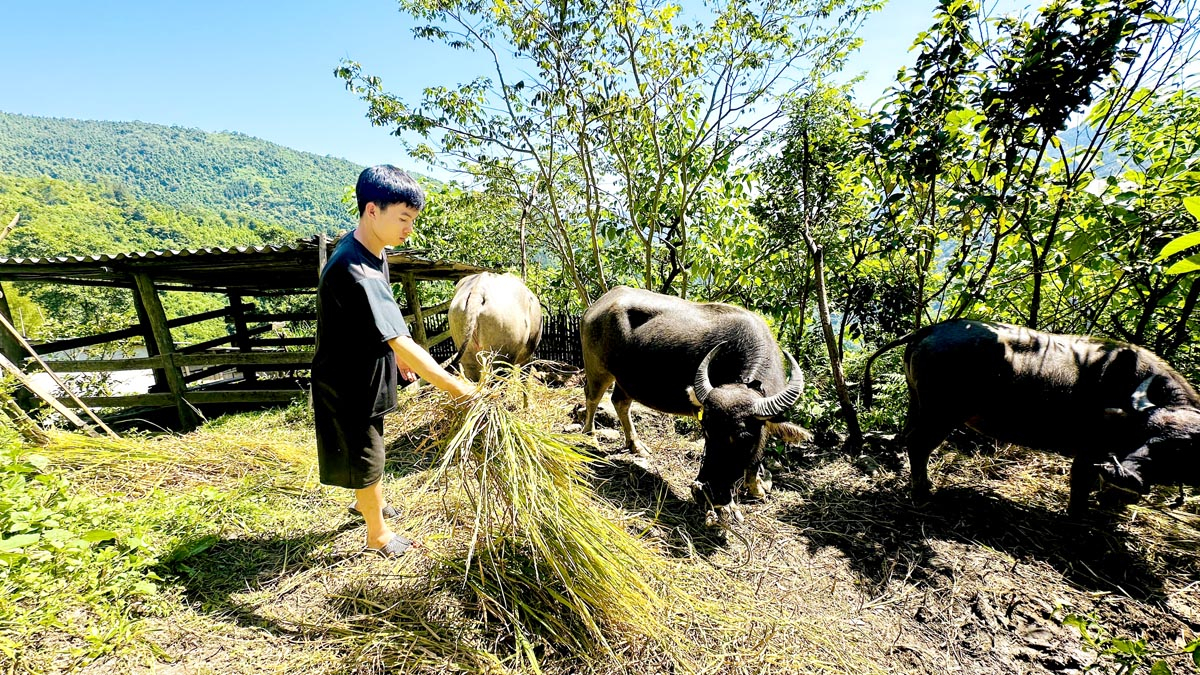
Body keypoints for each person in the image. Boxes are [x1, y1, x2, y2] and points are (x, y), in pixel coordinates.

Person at [311, 165, 475, 557]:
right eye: (403, 219)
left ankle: (363, 503)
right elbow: (399, 338)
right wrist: (460, 389)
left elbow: (378, 322)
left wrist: (394, 355)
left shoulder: (372, 251)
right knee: (368, 453)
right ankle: (378, 534)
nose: (409, 229)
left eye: (412, 220)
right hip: (349, 378)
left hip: (366, 367)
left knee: (368, 443)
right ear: (372, 210)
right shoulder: (356, 269)